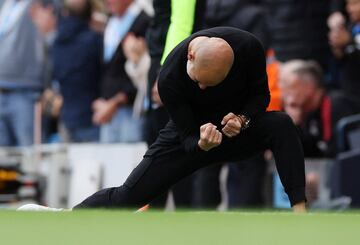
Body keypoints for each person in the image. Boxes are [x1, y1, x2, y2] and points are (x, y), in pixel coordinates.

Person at [19, 27, 306, 212]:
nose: (203, 89)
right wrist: (202, 143)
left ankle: (300, 211)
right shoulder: (169, 78)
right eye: (199, 83)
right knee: (128, 196)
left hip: (234, 130)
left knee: (281, 123)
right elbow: (187, 138)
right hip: (190, 135)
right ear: (190, 56)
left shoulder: (250, 48)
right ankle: (69, 218)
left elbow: (260, 97)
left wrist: (242, 119)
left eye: (212, 84)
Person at [92, 0, 150, 143]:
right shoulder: (110, 24)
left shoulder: (144, 21)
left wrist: (115, 102)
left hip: (132, 112)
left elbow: (143, 72)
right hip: (108, 113)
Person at [52, 0, 102, 143]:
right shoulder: (95, 40)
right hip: (92, 117)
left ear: (64, 13)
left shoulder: (57, 42)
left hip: (67, 118)